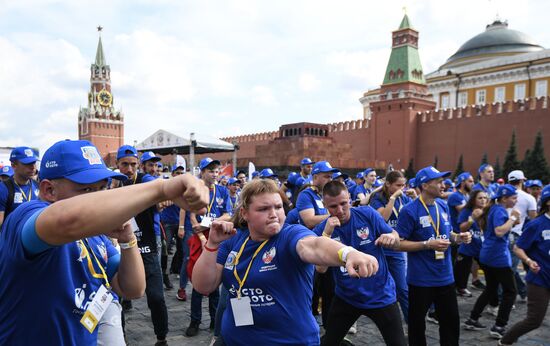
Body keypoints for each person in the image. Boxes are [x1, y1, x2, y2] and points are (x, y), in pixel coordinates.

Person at [0, 139, 208, 344]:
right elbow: (65, 220)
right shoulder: (25, 216)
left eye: (103, 188)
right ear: (49, 191)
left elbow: (132, 289)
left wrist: (128, 241)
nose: (100, 197)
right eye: (88, 190)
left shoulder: (96, 234)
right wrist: (160, 189)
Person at [191, 179, 380, 345]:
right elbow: (203, 286)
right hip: (236, 339)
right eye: (263, 209)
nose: (274, 214)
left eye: (278, 207)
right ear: (245, 213)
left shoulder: (290, 234)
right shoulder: (233, 240)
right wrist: (212, 244)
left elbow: (315, 245)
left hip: (289, 340)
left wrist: (347, 254)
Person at [317, 181, 406, 346]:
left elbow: (395, 237)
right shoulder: (323, 229)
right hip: (347, 297)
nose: (340, 210)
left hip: (381, 295)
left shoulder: (367, 213)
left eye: (344, 203)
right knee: (328, 342)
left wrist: (392, 237)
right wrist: (326, 234)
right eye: (333, 206)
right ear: (324, 205)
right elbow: (320, 269)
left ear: (350, 199)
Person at [396, 166, 471, 346]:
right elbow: (398, 244)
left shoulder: (442, 205)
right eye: (438, 182)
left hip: (445, 278)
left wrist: (458, 237)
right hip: (421, 280)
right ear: (425, 185)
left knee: (451, 324)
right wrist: (426, 244)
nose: (443, 185)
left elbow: (447, 234)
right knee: (416, 326)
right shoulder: (409, 210)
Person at [119, 148, 170, 345]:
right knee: (117, 300)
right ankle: (120, 338)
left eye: (133, 164)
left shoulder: (144, 180)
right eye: (125, 164)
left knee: (156, 297)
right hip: (120, 249)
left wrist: (163, 191)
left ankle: (161, 337)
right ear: (118, 164)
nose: (129, 168)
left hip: (147, 248)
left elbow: (158, 184)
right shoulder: (112, 184)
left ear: (138, 165)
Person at [463, 184, 521, 340]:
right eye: (513, 198)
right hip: (498, 257)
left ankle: (473, 319)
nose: (516, 200)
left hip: (488, 255)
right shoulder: (500, 210)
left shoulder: (495, 209)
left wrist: (512, 221)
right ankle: (499, 326)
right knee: (510, 292)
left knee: (491, 289)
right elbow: (499, 231)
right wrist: (513, 217)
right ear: (504, 198)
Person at [499, 185, 550, 345]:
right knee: (534, 320)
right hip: (540, 279)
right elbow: (518, 248)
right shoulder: (536, 225)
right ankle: (505, 341)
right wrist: (529, 261)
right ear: (548, 202)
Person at [186, 157, 232, 337]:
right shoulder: (196, 191)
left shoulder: (222, 191)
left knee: (216, 279)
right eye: (210, 171)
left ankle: (215, 319)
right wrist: (200, 235)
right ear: (202, 172)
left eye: (216, 171)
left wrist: (209, 224)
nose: (214, 174)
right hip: (199, 239)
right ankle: (195, 321)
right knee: (198, 282)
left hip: (217, 237)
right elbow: (191, 217)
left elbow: (228, 214)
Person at [369, 170, 413, 324]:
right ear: (388, 184)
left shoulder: (405, 199)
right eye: (398, 185)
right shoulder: (377, 198)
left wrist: (414, 199)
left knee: (402, 289)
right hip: (378, 248)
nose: (402, 188)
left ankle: (411, 324)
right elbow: (382, 218)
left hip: (396, 249)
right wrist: (393, 198)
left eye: (404, 185)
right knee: (375, 287)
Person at [507, 170, 537, 301]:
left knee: (507, 268)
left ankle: (522, 291)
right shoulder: (528, 198)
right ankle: (507, 297)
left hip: (501, 233)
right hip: (516, 234)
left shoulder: (503, 195)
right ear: (522, 181)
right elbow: (534, 221)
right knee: (508, 270)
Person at [454, 190, 488, 297]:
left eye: (485, 198)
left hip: (482, 247)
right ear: (473, 200)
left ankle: (494, 292)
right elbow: (461, 228)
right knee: (462, 271)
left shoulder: (488, 211)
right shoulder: (467, 211)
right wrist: (472, 219)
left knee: (490, 272)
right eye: (480, 198)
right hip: (467, 246)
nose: (483, 200)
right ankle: (460, 288)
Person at [0, 146, 40, 226]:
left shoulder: (38, 186)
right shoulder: (3, 188)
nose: (33, 167)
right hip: (12, 237)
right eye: (27, 164)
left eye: (34, 163)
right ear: (14, 165)